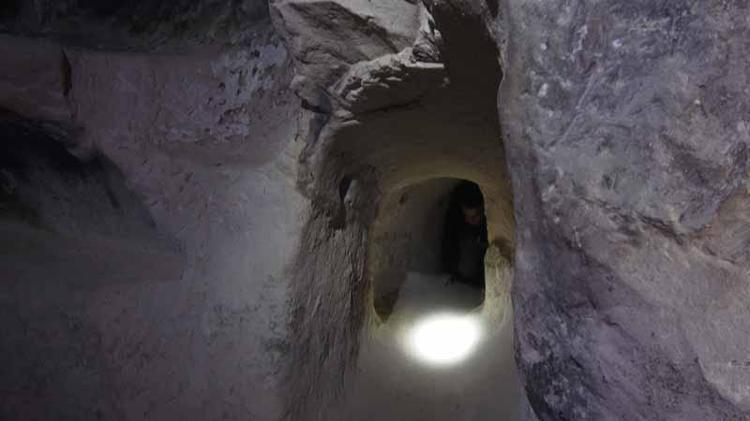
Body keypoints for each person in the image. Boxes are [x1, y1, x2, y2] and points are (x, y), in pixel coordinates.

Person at [441, 181, 488, 288]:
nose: (468, 220)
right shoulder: (456, 218)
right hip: (470, 247)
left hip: (483, 248)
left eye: (473, 217)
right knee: (467, 268)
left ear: (484, 211)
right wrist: (450, 272)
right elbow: (448, 244)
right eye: (465, 215)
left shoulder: (491, 222)